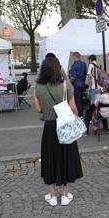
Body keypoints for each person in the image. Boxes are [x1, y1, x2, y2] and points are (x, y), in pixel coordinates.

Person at [33, 57, 83, 207]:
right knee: (66, 158)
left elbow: (38, 109)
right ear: (58, 69)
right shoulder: (66, 85)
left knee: (50, 160)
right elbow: (74, 109)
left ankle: (53, 196)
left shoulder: (38, 87)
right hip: (65, 126)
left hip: (49, 129)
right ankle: (66, 195)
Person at [69, 52, 87, 117]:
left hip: (76, 84)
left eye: (73, 57)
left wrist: (69, 83)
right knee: (82, 100)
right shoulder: (84, 64)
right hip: (83, 84)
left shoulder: (74, 65)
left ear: (74, 57)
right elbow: (85, 74)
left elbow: (73, 77)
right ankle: (81, 114)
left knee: (78, 100)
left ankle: (79, 115)